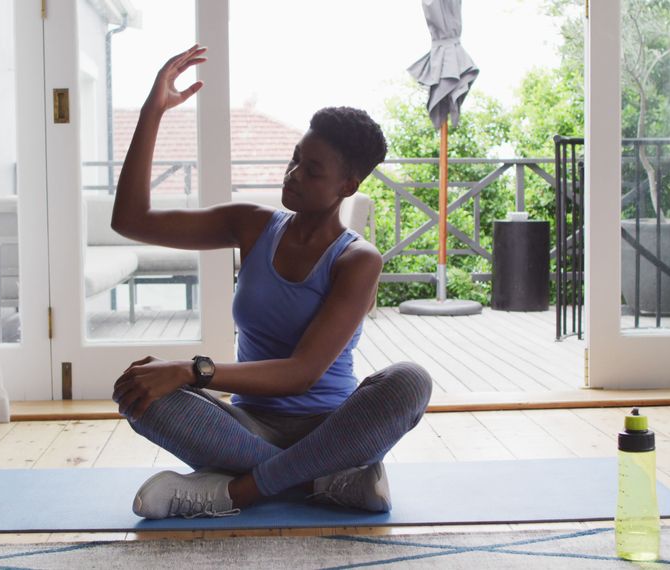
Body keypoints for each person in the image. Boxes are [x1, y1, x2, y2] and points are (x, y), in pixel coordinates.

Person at [111, 44, 433, 520]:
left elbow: (301, 372)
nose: (293, 174)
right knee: (138, 389)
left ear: (348, 185)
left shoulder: (357, 260)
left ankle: (233, 493)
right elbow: (131, 219)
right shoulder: (252, 225)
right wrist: (152, 112)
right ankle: (328, 483)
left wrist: (191, 369)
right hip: (247, 427)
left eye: (312, 170)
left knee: (410, 381)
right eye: (296, 158)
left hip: (334, 429)